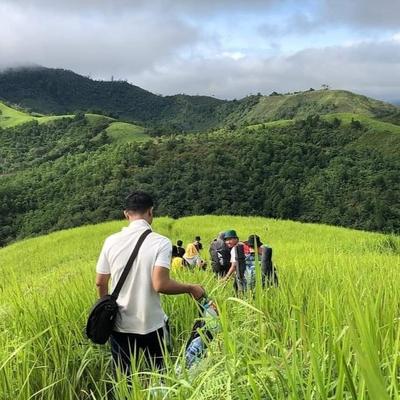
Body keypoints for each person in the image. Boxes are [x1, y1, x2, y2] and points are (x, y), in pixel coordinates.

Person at [95, 191, 204, 374]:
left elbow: (100, 282)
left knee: (124, 378)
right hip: (152, 324)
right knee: (162, 375)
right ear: (151, 212)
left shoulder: (110, 241)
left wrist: (107, 309)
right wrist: (190, 287)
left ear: (126, 214)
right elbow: (160, 284)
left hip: (120, 324)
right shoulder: (161, 243)